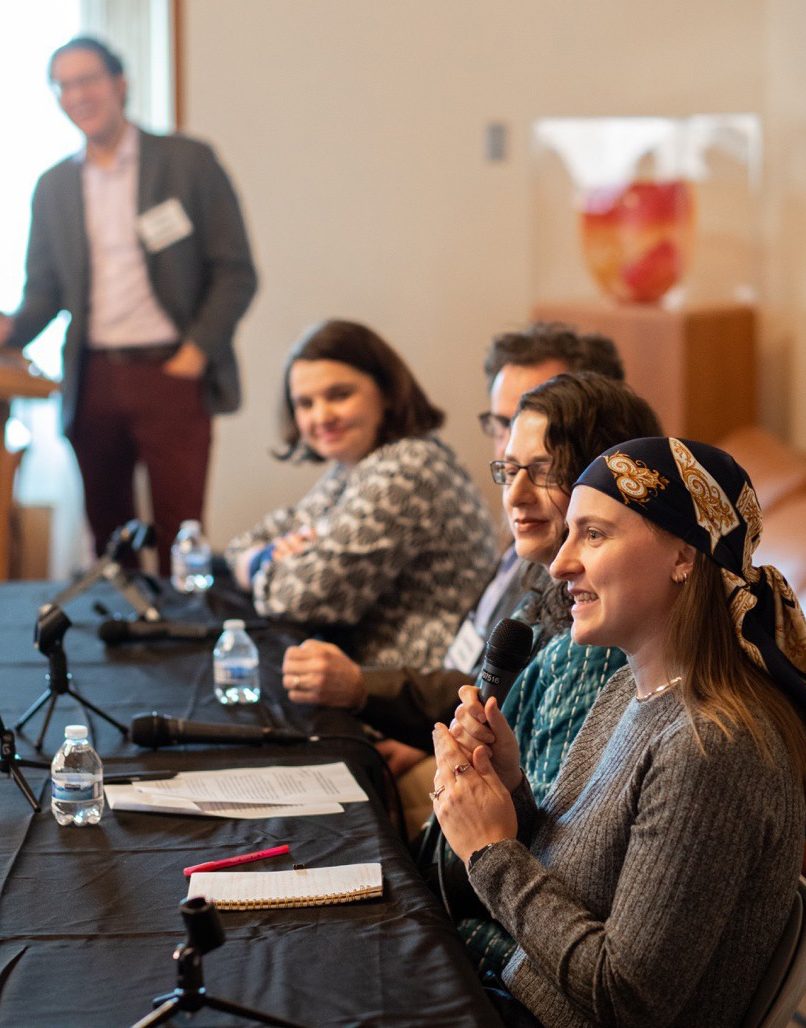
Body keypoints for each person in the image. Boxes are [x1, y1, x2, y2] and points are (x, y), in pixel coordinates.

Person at [435, 436, 806, 1027]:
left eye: (593, 534)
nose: (559, 564)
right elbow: (579, 882)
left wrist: (490, 852)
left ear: (683, 556)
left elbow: (628, 996)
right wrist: (508, 792)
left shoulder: (711, 747)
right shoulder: (628, 690)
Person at [279, 321, 625, 740]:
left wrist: (366, 690)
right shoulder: (530, 539)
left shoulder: (591, 596)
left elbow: (296, 597)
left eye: (542, 424)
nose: (510, 444)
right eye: (503, 423)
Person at [0, 36, 257, 573]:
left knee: (180, 531)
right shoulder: (54, 186)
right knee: (110, 539)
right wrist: (10, 328)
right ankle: (120, 625)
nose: (77, 95)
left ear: (120, 83)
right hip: (94, 376)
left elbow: (235, 272)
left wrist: (195, 353)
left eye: (87, 80)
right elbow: (44, 292)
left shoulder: (187, 161)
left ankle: (180, 624)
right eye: (63, 85)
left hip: (172, 369)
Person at [226, 318, 497, 669]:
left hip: (411, 682)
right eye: (305, 403)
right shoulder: (355, 464)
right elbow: (251, 539)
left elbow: (298, 598)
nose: (321, 416)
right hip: (360, 670)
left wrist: (258, 562)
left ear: (386, 391)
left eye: (339, 395)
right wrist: (267, 554)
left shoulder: (406, 468)